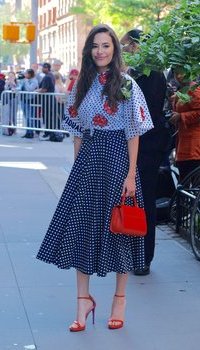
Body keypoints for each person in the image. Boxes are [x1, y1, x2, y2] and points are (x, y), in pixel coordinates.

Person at [36, 24, 153, 331]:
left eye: (106, 45)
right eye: (95, 46)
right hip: (88, 159)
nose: (100, 51)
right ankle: (82, 301)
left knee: (121, 230)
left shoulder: (126, 83)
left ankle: (120, 299)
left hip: (117, 160)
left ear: (114, 50)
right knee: (81, 229)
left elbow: (134, 132)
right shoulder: (81, 84)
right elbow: (76, 131)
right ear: (89, 50)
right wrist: (77, 167)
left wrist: (130, 174)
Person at [120, 29, 170, 275]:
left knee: (144, 200)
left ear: (137, 46)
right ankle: (136, 254)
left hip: (147, 146)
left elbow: (143, 115)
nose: (124, 51)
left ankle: (143, 257)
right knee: (136, 200)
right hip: (142, 144)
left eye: (126, 46)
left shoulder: (149, 74)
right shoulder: (139, 73)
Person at [170, 68, 200, 181]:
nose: (178, 76)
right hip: (184, 144)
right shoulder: (183, 90)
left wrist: (181, 116)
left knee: (191, 185)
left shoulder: (194, 90)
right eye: (176, 73)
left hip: (194, 146)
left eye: (181, 72)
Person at [36, 62, 55, 141]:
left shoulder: (47, 77)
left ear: (47, 68)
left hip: (47, 101)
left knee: (47, 117)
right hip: (49, 100)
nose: (43, 69)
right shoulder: (51, 75)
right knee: (48, 117)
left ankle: (48, 133)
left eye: (44, 67)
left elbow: (44, 89)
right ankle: (49, 133)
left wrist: (36, 91)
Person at [21, 69, 39, 139]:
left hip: (31, 101)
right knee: (26, 117)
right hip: (24, 100)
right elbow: (21, 88)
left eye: (26, 74)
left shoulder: (34, 81)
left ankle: (30, 133)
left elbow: (29, 89)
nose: (25, 75)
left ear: (30, 74)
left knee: (30, 117)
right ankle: (27, 132)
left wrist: (25, 82)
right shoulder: (25, 80)